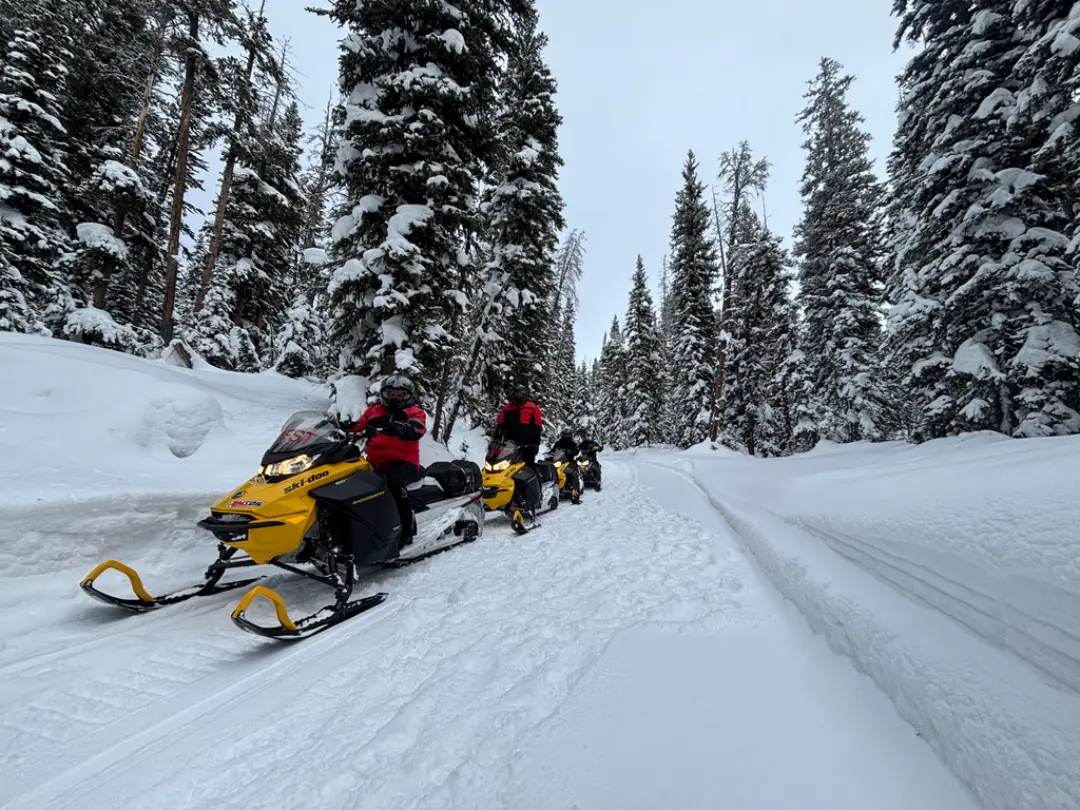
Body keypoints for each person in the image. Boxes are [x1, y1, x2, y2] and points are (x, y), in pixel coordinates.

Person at [351, 375, 426, 547]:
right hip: (374, 463)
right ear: (384, 394)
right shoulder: (373, 411)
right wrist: (341, 428)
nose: (395, 398)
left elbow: (417, 429)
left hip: (403, 463)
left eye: (400, 395)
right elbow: (357, 427)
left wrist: (402, 428)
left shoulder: (414, 411)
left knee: (392, 482)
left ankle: (405, 532)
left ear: (408, 396)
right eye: (391, 394)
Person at [492, 384, 544, 514]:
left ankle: (537, 495)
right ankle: (506, 496)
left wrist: (535, 444)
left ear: (525, 395)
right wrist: (495, 442)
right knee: (506, 470)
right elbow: (500, 426)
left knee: (529, 468)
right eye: (516, 393)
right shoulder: (507, 409)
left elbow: (537, 427)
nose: (518, 396)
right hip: (509, 447)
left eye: (521, 394)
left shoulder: (532, 408)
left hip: (527, 446)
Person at [550, 428, 583, 502]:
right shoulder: (558, 443)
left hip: (569, 461)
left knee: (573, 474)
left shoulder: (572, 443)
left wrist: (571, 451)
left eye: (566, 435)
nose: (565, 436)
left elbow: (576, 451)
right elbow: (553, 450)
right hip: (559, 461)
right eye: (564, 434)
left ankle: (575, 493)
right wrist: (550, 453)